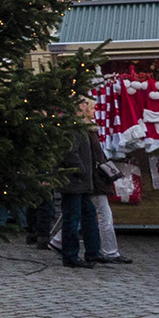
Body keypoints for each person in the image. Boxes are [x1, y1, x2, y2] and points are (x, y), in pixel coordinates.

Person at [58, 106, 104, 269]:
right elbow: (69, 153)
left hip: (81, 182)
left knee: (88, 215)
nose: (93, 111)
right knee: (72, 218)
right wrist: (81, 170)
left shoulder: (82, 128)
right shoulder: (72, 128)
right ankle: (70, 255)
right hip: (74, 181)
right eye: (90, 108)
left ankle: (93, 252)